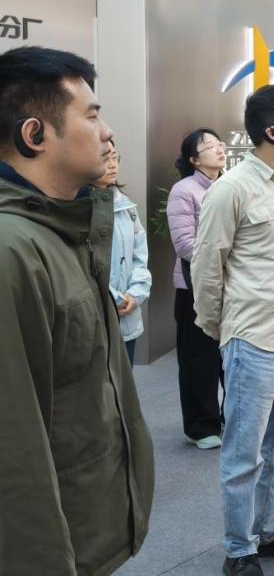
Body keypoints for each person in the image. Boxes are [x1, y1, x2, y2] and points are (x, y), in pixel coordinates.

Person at [0, 45, 154, 575]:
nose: (108, 133)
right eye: (91, 116)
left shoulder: (64, 229)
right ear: (34, 134)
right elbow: (13, 443)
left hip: (87, 523)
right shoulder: (13, 250)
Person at [193, 86, 274, 575]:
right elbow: (207, 267)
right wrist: (222, 329)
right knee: (244, 452)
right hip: (253, 339)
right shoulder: (232, 188)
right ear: (271, 131)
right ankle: (239, 549)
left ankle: (271, 528)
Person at [167, 127, 226, 450]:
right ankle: (200, 427)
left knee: (230, 357)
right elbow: (185, 244)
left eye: (219, 144)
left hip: (230, 285)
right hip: (195, 287)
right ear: (193, 159)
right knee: (198, 360)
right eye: (209, 146)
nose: (219, 149)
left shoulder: (228, 187)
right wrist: (226, 257)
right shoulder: (184, 190)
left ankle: (230, 417)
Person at [94, 144, 151, 365]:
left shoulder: (126, 205)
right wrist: (115, 298)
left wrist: (135, 295)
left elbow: (140, 256)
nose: (113, 165)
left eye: (115, 158)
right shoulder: (75, 206)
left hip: (127, 313)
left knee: (125, 378)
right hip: (97, 314)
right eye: (105, 158)